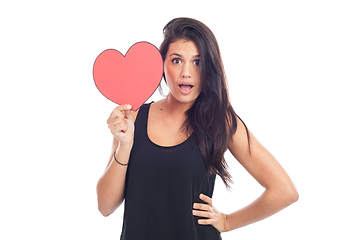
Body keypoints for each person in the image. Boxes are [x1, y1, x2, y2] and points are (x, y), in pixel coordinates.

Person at [96, 17, 298, 239]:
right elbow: (105, 207)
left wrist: (228, 221)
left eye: (197, 62)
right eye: (176, 61)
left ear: (209, 68)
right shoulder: (132, 118)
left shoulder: (221, 121)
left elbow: (284, 191)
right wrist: (124, 145)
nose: (186, 72)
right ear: (161, 65)